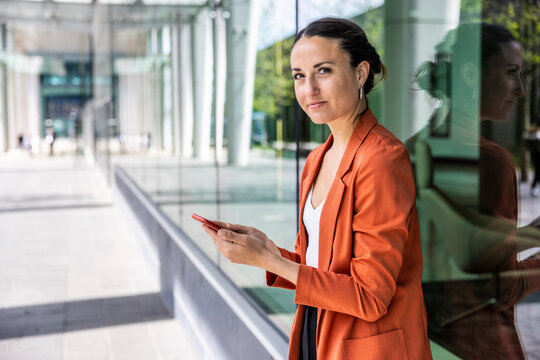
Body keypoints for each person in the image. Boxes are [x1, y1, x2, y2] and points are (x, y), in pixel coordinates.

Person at [201, 17, 432, 360]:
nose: (308, 89)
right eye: (298, 75)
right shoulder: (316, 161)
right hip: (317, 329)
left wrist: (271, 261)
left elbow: (370, 295)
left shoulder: (381, 159)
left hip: (364, 345)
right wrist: (268, 252)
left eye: (323, 71)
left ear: (360, 73)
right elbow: (321, 268)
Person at [410, 23, 540, 359]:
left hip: (423, 341)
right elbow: (500, 287)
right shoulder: (491, 161)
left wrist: (530, 234)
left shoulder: (408, 149)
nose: (521, 89)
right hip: (479, 345)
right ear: (469, 74)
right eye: (512, 73)